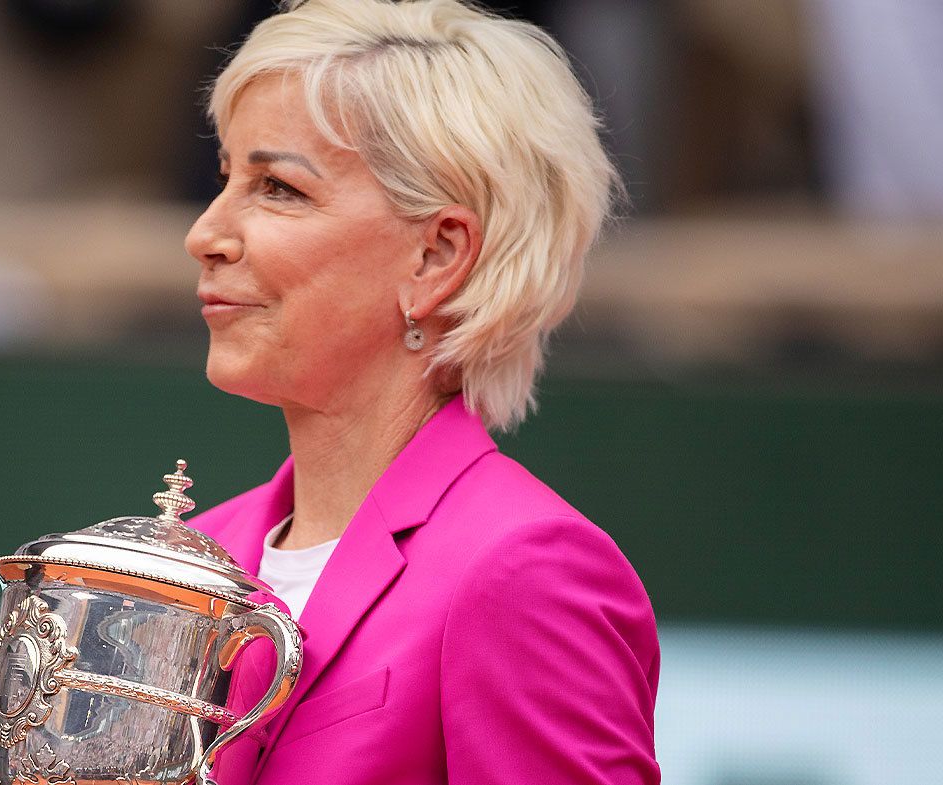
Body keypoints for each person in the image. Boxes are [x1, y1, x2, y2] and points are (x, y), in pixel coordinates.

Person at [183, 1, 659, 783]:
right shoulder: (199, 550)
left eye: (277, 188)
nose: (206, 232)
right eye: (227, 177)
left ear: (437, 255)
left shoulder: (523, 570)